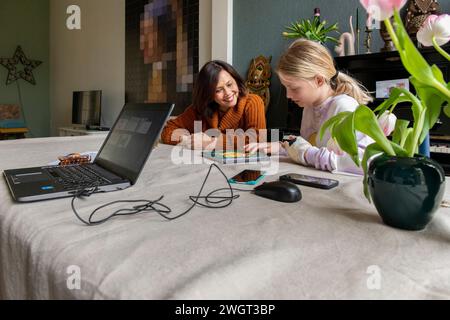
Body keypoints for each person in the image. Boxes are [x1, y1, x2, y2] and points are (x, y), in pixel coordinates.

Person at [246, 39, 375, 174]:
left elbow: (366, 162)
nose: (288, 95)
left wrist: (307, 153)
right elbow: (311, 148)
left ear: (319, 80)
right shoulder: (309, 107)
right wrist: (284, 148)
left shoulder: (344, 106)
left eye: (294, 88)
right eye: (286, 88)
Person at [160, 60, 266, 150]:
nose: (228, 93)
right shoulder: (200, 109)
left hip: (243, 170)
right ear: (208, 94)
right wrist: (188, 140)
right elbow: (168, 130)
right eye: (218, 90)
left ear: (236, 80)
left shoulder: (252, 102)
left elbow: (257, 140)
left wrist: (211, 142)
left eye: (229, 84)